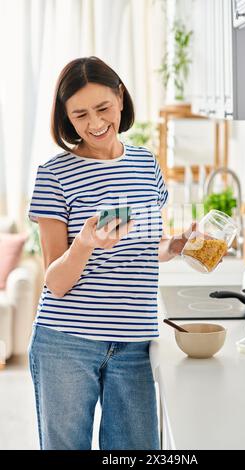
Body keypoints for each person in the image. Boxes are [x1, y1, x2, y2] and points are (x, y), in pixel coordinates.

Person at [27, 56, 193, 450]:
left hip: (134, 342)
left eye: (103, 108)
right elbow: (55, 280)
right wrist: (84, 244)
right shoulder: (53, 175)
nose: (95, 123)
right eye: (80, 114)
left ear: (120, 97)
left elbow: (146, 248)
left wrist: (176, 244)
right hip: (66, 343)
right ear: (66, 118)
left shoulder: (145, 164)